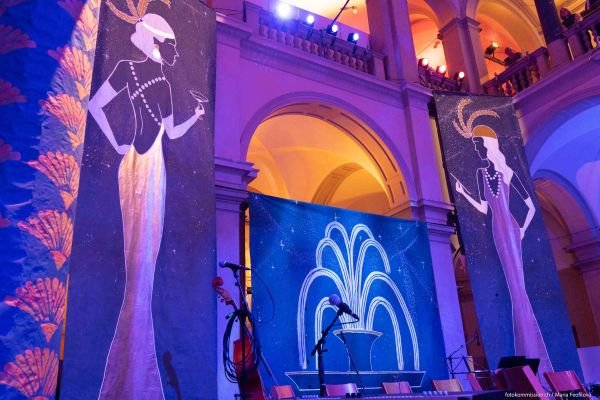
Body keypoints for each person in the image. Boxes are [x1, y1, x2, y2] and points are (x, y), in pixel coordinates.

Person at [88, 11, 205, 400]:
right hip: (143, 167)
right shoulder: (130, 69)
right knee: (136, 265)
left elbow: (169, 130)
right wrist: (116, 141)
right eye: (170, 46)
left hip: (146, 166)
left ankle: (132, 373)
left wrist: (196, 117)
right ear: (155, 43)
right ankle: (132, 377)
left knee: (143, 268)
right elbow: (97, 106)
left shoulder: (158, 81)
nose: (175, 53)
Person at [452, 99, 553, 375]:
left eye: (478, 143)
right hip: (497, 230)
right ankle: (525, 348)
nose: (476, 148)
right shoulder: (481, 173)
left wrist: (523, 227)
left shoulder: (507, 172)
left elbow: (530, 205)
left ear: (488, 144)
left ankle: (533, 348)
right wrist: (463, 194)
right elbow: (485, 208)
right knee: (512, 286)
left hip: (510, 227)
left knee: (519, 286)